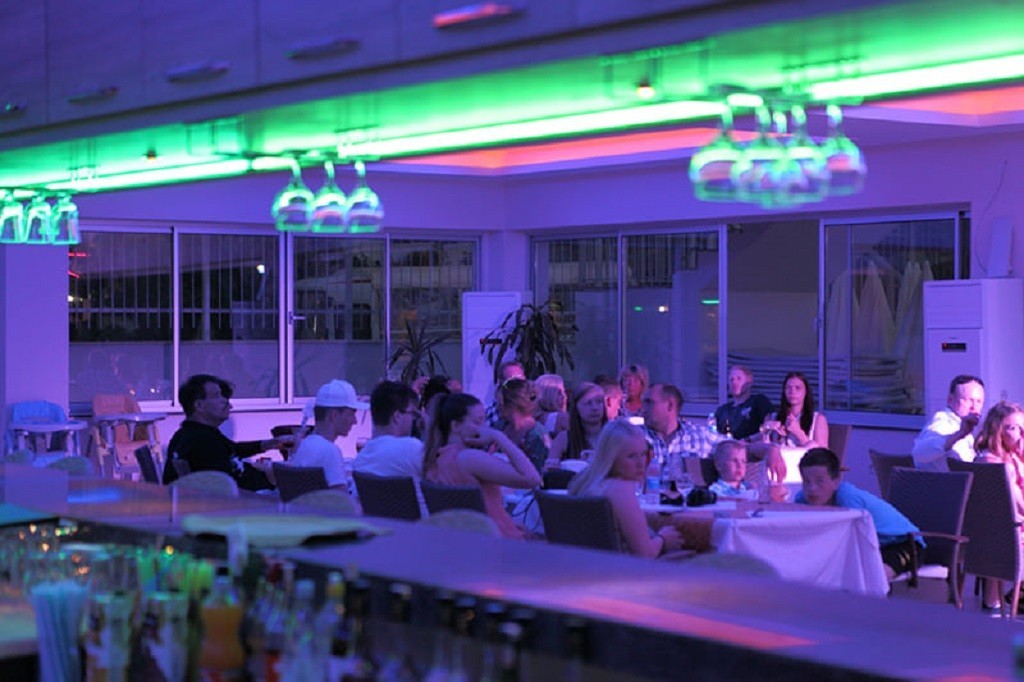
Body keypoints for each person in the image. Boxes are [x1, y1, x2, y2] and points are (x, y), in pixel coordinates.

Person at [422, 393, 542, 539]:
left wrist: (508, 523)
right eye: (478, 422)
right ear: (456, 426)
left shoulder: (437, 458)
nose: (485, 428)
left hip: (469, 541)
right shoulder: (469, 458)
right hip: (499, 544)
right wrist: (499, 437)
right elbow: (533, 479)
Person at [795, 447, 921, 581]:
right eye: (806, 481)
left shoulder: (847, 499)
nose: (812, 488)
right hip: (871, 548)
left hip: (904, 544)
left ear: (836, 481)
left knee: (873, 577)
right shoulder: (802, 499)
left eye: (820, 481)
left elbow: (854, 541)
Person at [568, 420, 683, 558]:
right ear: (611, 458)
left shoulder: (585, 483)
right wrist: (663, 538)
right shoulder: (621, 490)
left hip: (584, 565)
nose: (641, 463)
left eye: (643, 454)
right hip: (625, 569)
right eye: (631, 456)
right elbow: (645, 554)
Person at [161, 374, 283, 490]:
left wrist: (268, 444)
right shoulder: (202, 442)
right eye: (216, 396)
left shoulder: (196, 434)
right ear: (199, 405)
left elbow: (232, 449)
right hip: (253, 501)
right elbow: (225, 489)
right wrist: (271, 479)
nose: (226, 402)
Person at [973, 400, 1024, 612]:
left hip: (992, 536)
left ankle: (1003, 599)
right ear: (998, 431)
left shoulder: (1001, 458)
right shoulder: (997, 465)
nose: (1022, 434)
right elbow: (1020, 507)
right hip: (1008, 537)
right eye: (1014, 428)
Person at [289, 380, 367, 488]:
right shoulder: (330, 451)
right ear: (334, 415)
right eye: (351, 414)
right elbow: (342, 497)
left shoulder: (305, 445)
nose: (355, 421)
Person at [353, 380, 424, 479]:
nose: (414, 419)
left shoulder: (360, 460)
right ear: (397, 416)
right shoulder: (412, 448)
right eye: (413, 414)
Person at [912, 375, 984, 471]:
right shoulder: (943, 422)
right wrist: (959, 434)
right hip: (941, 480)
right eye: (969, 400)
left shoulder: (975, 427)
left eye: (979, 401)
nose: (974, 407)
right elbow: (919, 453)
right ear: (950, 400)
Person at [641, 383, 716, 472]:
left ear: (670, 406)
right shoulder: (635, 437)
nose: (643, 409)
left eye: (649, 402)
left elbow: (729, 449)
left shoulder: (701, 436)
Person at [546, 382, 608, 469]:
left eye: (599, 402)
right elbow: (548, 471)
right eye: (588, 403)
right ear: (576, 408)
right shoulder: (564, 439)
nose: (595, 407)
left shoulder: (615, 436)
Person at [498, 378, 550, 473]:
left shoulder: (538, 435)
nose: (497, 405)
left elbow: (540, 472)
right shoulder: (500, 426)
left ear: (514, 403)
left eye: (500, 401)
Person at [765, 372, 829, 449]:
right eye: (788, 388)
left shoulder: (818, 419)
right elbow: (762, 448)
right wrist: (765, 431)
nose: (792, 392)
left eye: (797, 388)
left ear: (806, 392)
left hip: (804, 456)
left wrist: (798, 433)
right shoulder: (772, 417)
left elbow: (823, 453)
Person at [714, 365, 773, 440]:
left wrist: (748, 440)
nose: (734, 382)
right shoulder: (722, 410)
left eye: (739, 378)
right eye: (731, 380)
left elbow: (769, 428)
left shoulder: (759, 401)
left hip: (751, 445)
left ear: (749, 382)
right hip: (727, 445)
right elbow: (713, 434)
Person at [485, 360, 526, 429]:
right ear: (502, 383)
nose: (518, 384)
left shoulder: (532, 406)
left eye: (520, 379)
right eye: (512, 380)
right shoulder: (492, 412)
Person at [533, 373, 569, 438]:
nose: (564, 396)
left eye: (564, 392)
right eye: (559, 393)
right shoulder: (561, 417)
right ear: (547, 395)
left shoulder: (529, 419)